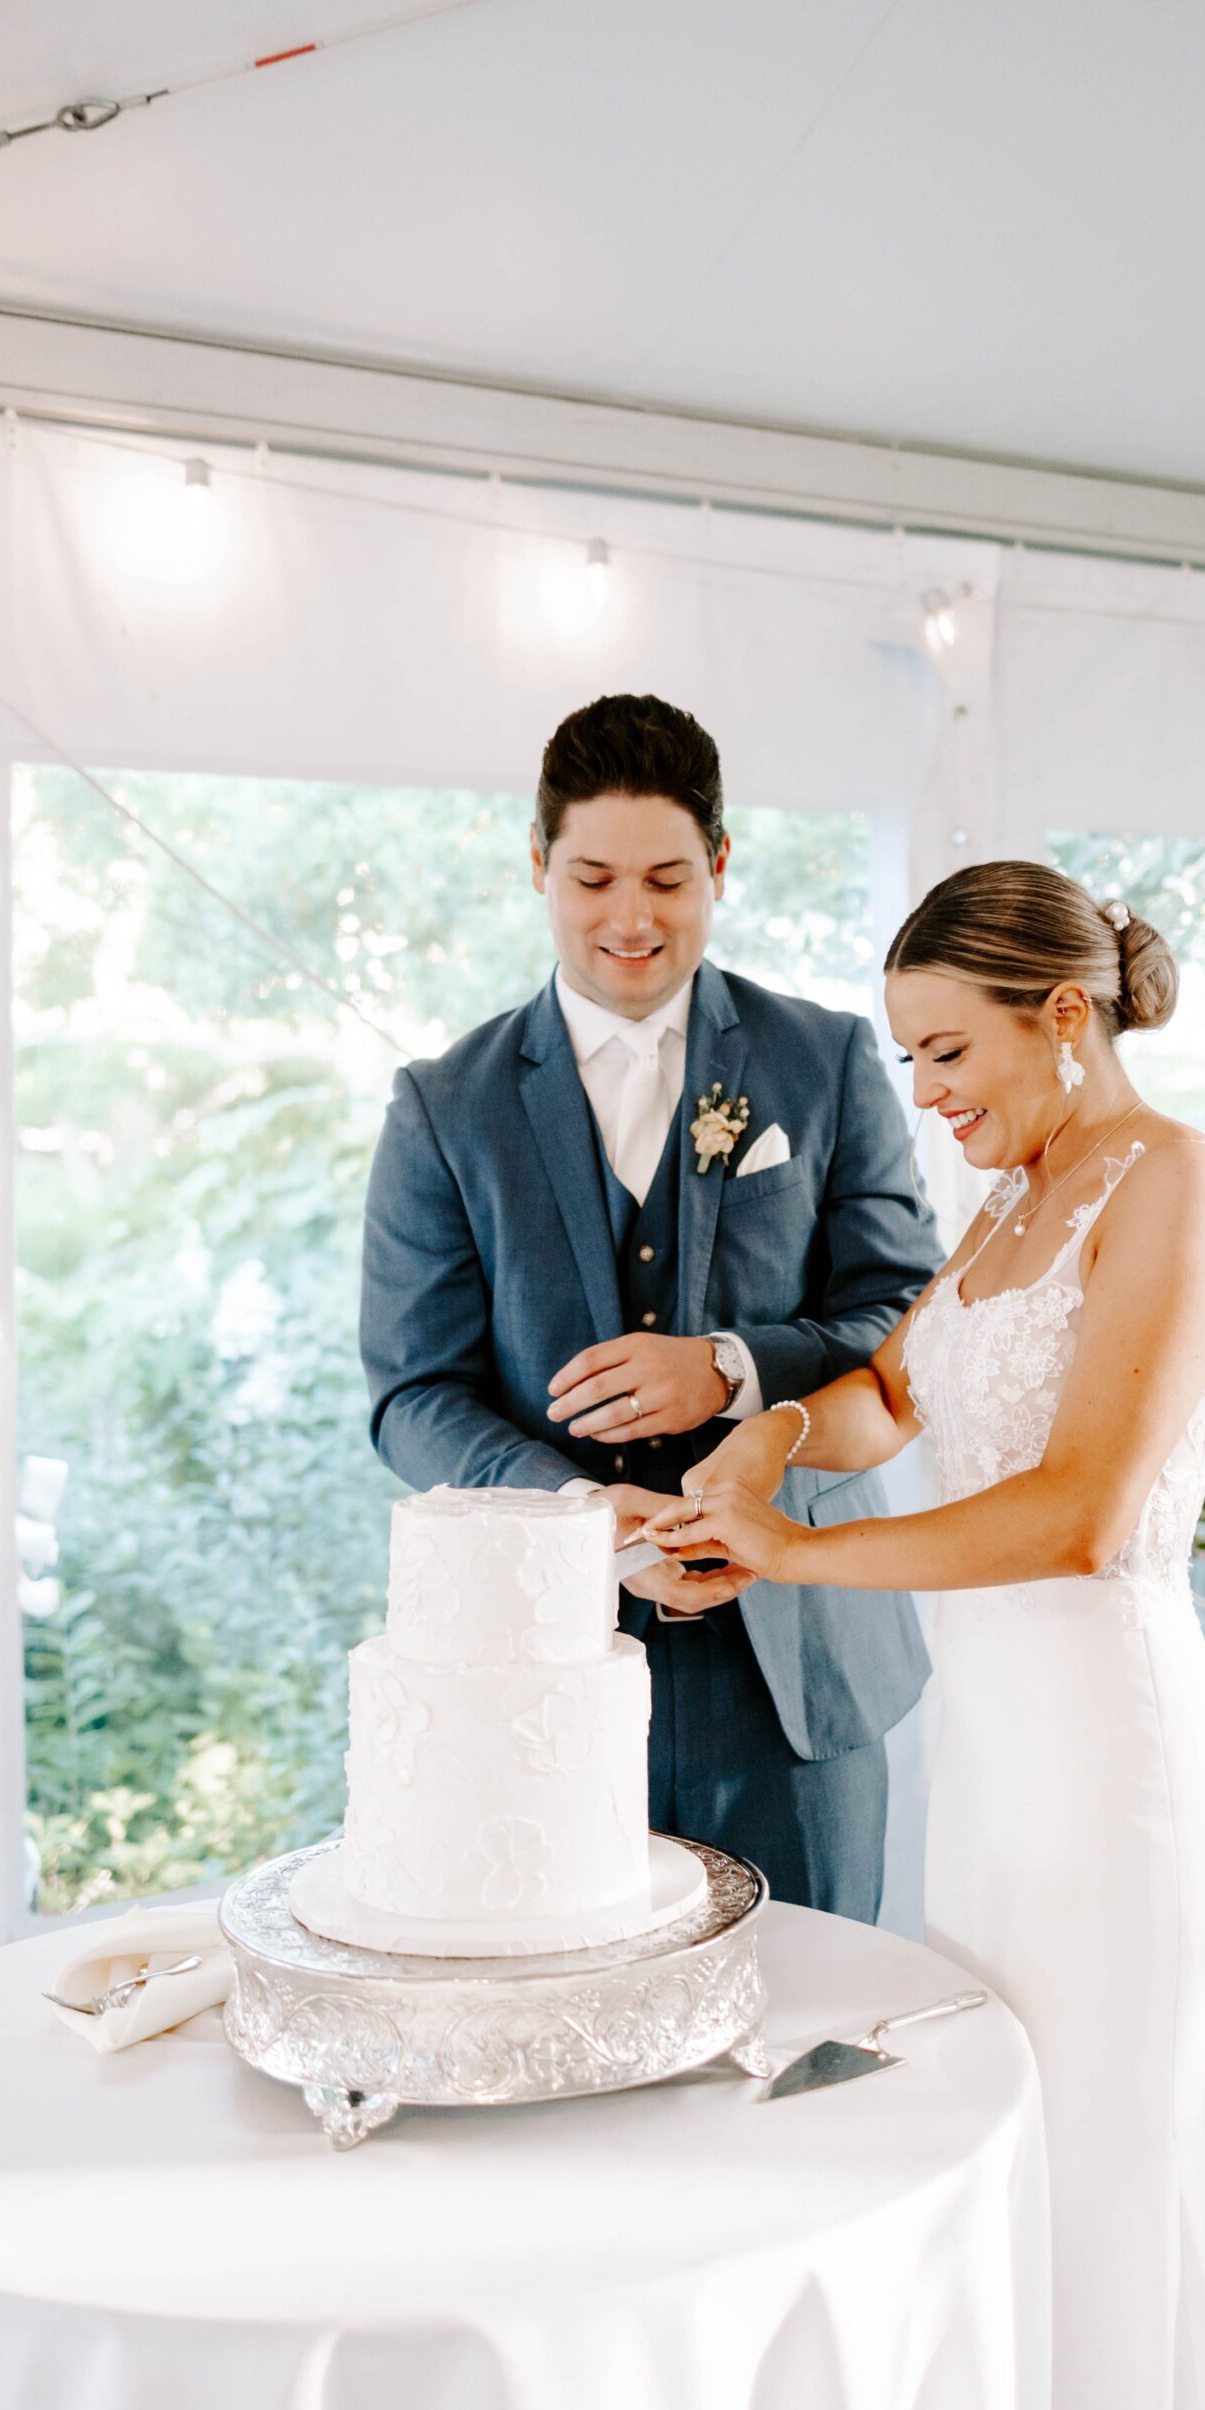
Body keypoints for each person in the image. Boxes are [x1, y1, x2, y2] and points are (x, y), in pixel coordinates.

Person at [646, 860, 1205, 2410]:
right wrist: (775, 1443)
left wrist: (786, 1557)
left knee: (1100, 2167)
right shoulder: (1015, 1196)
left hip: (1113, 1763)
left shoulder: (1174, 1186)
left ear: (1065, 1016)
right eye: (907, 1061)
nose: (924, 1095)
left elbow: (1080, 1513)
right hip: (998, 1768)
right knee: (1006, 2147)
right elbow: (895, 1386)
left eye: (946, 1053)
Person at [359, 692, 941, 1919]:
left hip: (800, 1660)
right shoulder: (441, 1104)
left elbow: (907, 1321)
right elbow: (412, 1396)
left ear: (721, 864)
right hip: (545, 1674)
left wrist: (730, 1370)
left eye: (669, 878)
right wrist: (577, 1511)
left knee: (816, 2028)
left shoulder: (825, 1059)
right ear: (538, 866)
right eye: (594, 878)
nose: (631, 918)